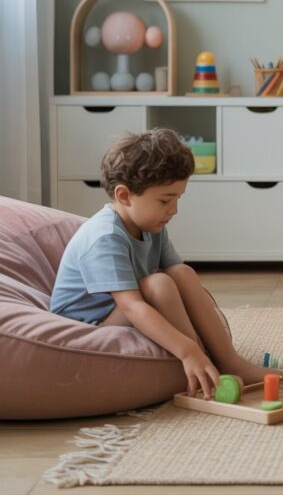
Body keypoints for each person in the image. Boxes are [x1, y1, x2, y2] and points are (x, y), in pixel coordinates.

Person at [50, 128, 265, 398]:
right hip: (89, 329)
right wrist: (188, 350)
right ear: (124, 196)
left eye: (177, 198)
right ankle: (203, 363)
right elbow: (132, 306)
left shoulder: (151, 225)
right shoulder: (105, 237)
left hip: (121, 311)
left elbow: (180, 279)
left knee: (182, 273)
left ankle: (228, 361)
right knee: (159, 283)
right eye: (165, 200)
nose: (174, 210)